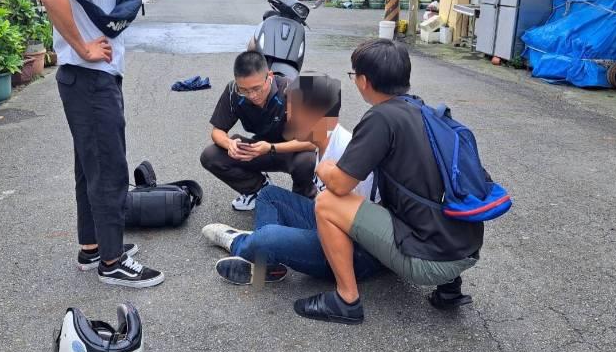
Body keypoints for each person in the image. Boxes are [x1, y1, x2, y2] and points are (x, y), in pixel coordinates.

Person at [40, 0, 164, 288]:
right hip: (89, 79)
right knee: (109, 169)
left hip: (89, 80)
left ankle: (93, 248)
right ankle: (113, 263)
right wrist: (83, 47)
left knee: (90, 167)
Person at [294, 39, 484, 325]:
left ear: (364, 81)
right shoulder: (425, 111)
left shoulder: (380, 119)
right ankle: (450, 289)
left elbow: (341, 185)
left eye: (353, 75)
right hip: (467, 250)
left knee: (326, 203)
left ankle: (346, 299)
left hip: (429, 261)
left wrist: (324, 168)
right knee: (424, 188)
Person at [202, 73, 383, 285]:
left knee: (269, 236)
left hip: (354, 253)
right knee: (269, 196)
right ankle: (265, 261)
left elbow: (364, 228)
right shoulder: (327, 139)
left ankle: (239, 242)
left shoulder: (346, 155)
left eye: (293, 111)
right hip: (329, 225)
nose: (287, 117)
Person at [200, 51, 317, 210]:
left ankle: (302, 201)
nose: (252, 95)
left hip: (293, 150)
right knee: (210, 156)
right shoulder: (233, 91)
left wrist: (271, 148)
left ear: (269, 75)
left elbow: (313, 142)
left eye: (257, 88)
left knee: (307, 161)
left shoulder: (294, 89)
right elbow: (217, 131)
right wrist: (229, 144)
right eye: (245, 90)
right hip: (259, 149)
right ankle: (259, 189)